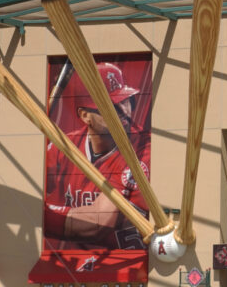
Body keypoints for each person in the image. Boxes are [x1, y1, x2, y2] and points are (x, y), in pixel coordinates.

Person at [43, 62, 149, 250]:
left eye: (126, 100)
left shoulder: (142, 148)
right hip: (71, 265)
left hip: (128, 264)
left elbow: (98, 222)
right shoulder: (64, 147)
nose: (125, 111)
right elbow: (26, 185)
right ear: (85, 116)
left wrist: (37, 214)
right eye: (112, 107)